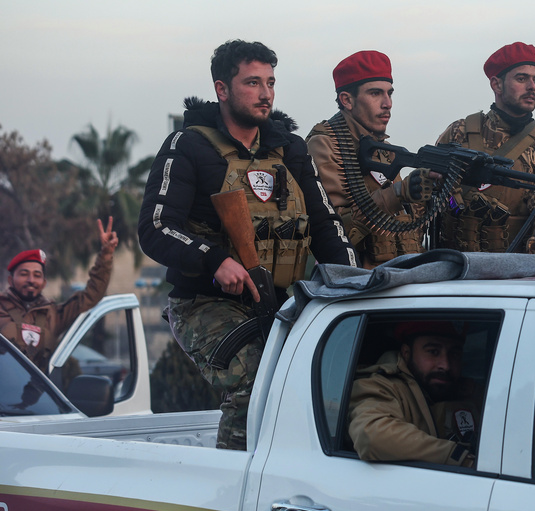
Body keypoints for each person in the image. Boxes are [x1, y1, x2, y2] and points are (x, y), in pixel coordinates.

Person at [138, 39, 357, 450]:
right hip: (205, 302)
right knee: (256, 382)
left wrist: (354, 281)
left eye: (271, 83)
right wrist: (215, 260)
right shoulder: (189, 146)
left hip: (282, 299)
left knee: (331, 386)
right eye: (252, 82)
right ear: (222, 89)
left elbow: (326, 225)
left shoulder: (288, 148)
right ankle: (233, 493)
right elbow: (155, 228)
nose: (265, 93)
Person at [306, 51, 436, 268]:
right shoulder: (324, 144)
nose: (387, 103)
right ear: (346, 100)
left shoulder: (384, 149)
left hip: (401, 276)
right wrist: (398, 193)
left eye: (390, 93)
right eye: (375, 93)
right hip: (356, 282)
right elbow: (335, 230)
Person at [436, 42, 535, 253]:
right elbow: (428, 196)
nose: (532, 87)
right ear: (496, 85)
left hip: (510, 272)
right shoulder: (459, 133)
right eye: (521, 78)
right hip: (452, 264)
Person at [348, 321, 479, 467]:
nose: (445, 365)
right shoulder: (379, 387)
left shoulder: (476, 393)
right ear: (406, 353)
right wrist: (458, 457)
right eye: (433, 351)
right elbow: (371, 436)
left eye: (454, 354)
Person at [1, 217, 118, 372]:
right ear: (10, 279)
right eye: (24, 274)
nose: (31, 280)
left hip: (41, 395)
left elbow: (90, 296)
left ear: (43, 282)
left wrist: (106, 256)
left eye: (37, 275)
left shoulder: (54, 314)